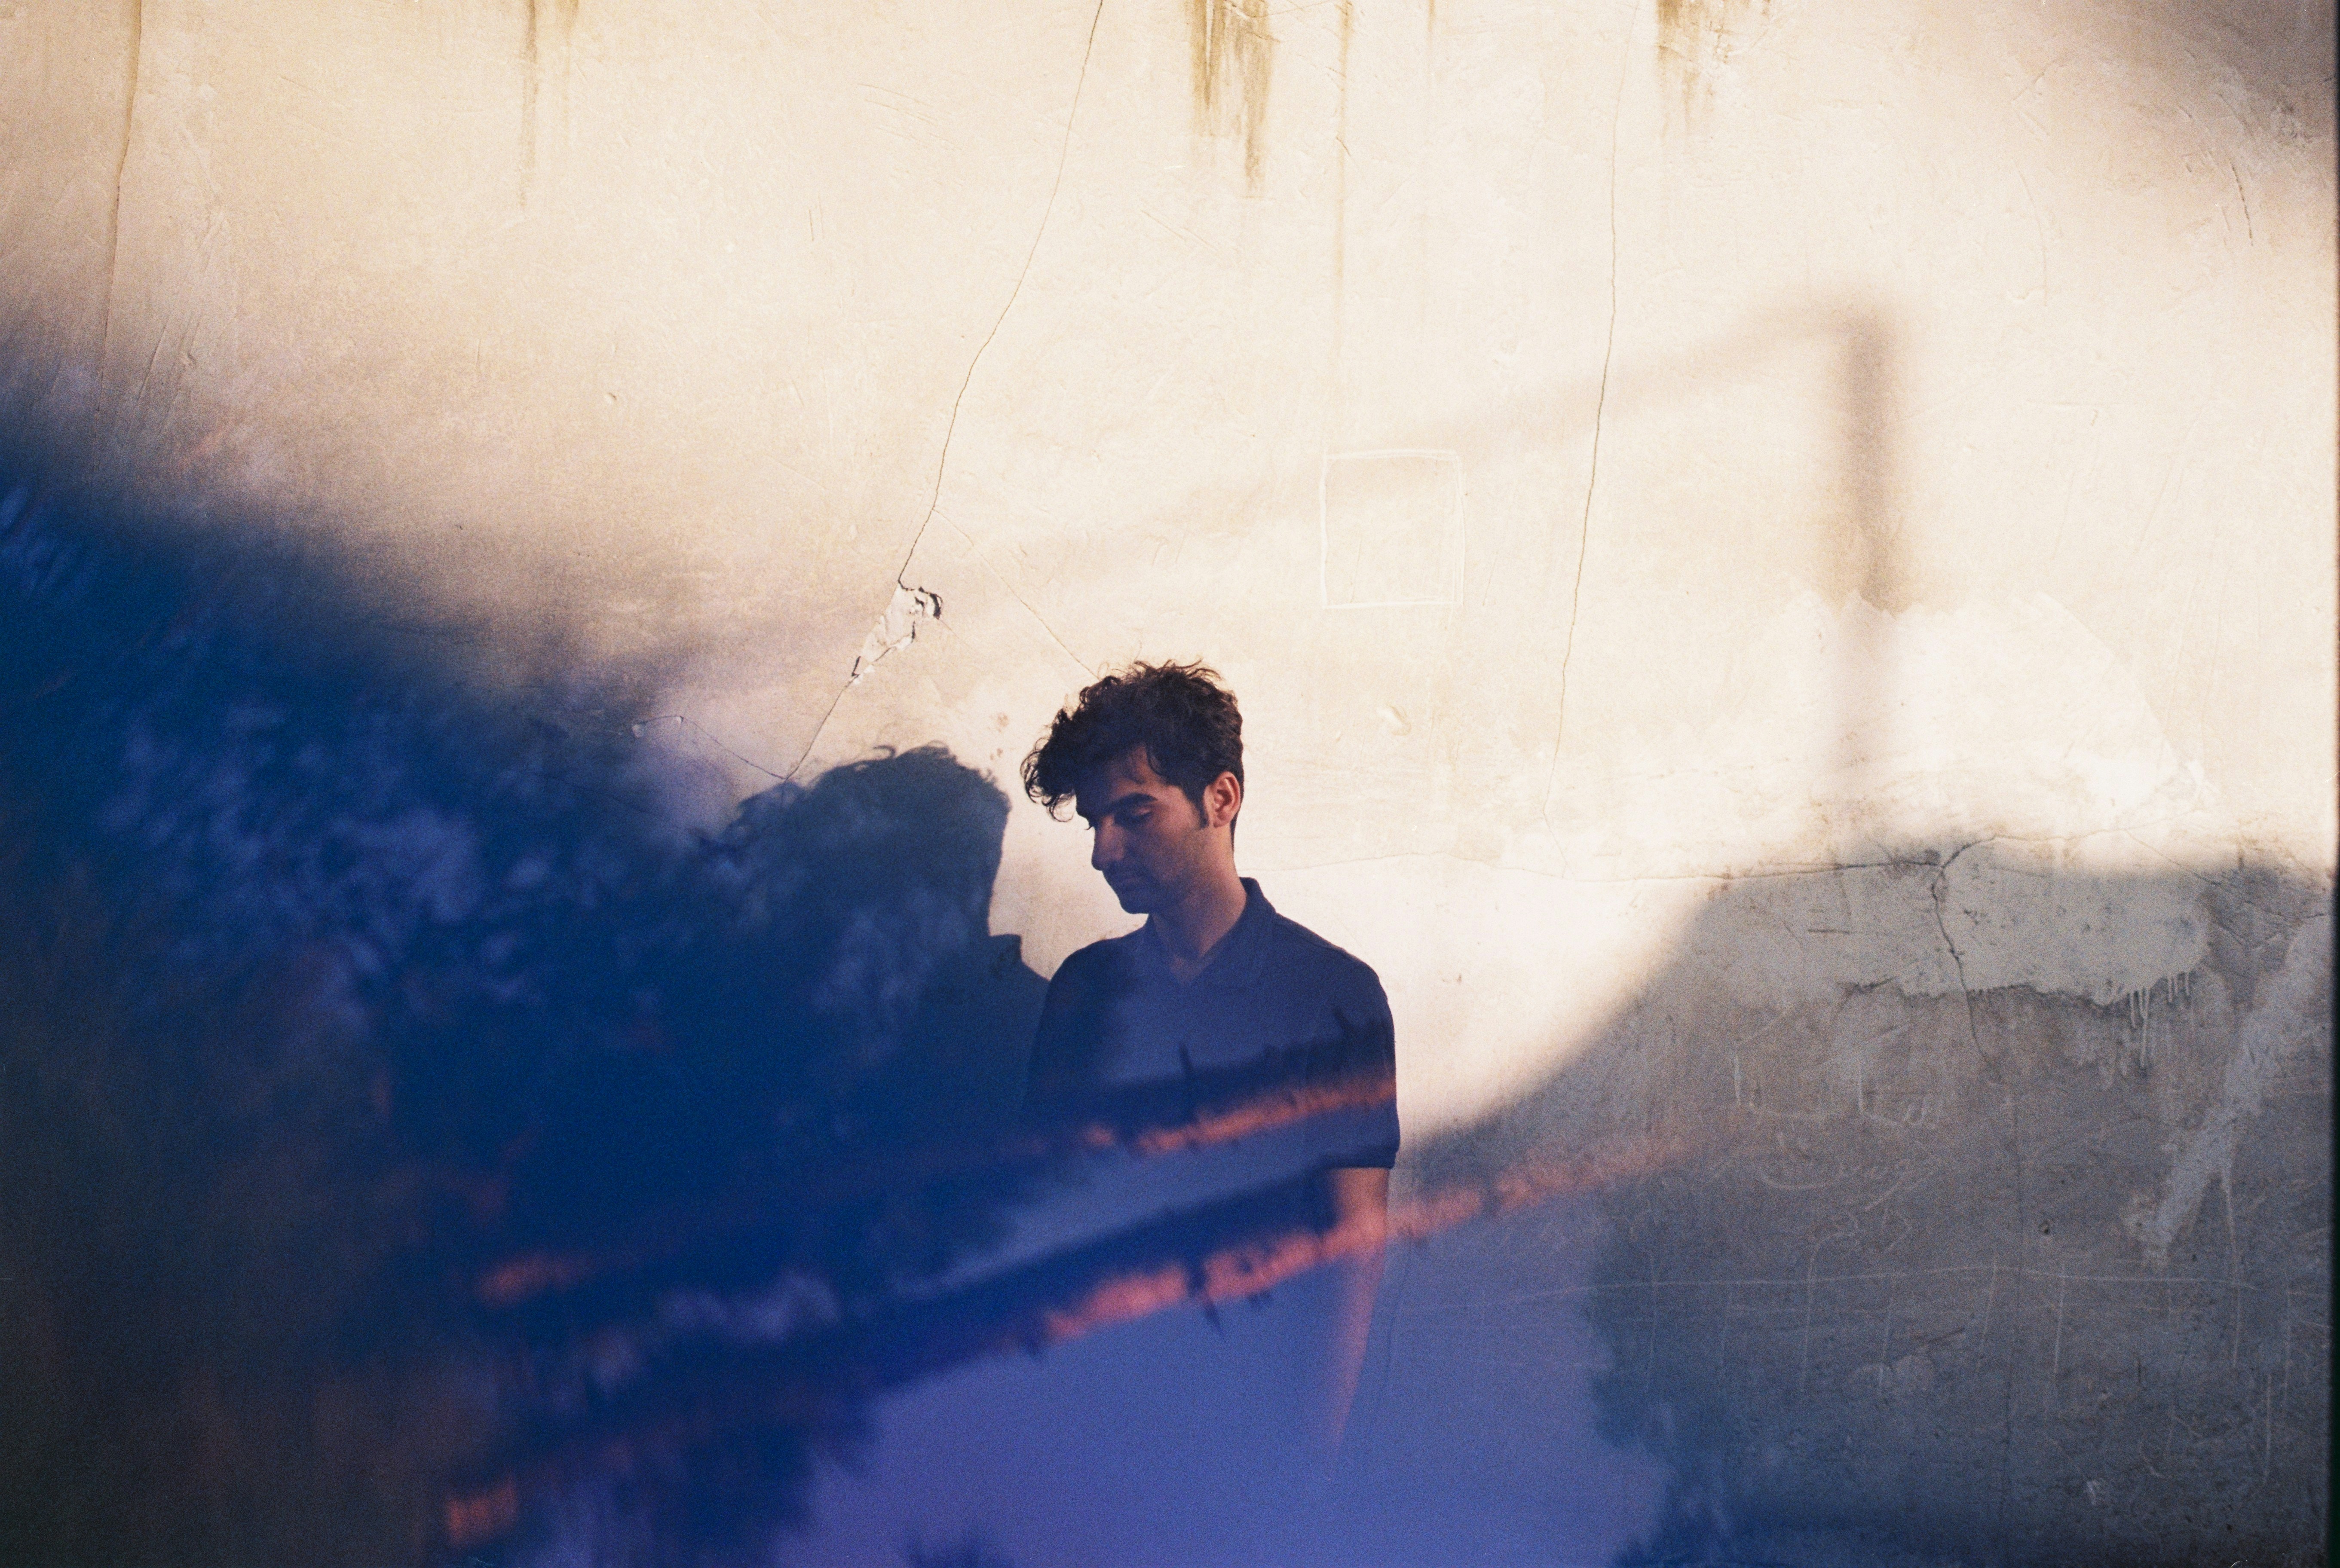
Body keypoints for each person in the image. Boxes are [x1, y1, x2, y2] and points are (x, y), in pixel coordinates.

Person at [1019, 660, 1399, 1458]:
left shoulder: (1333, 993)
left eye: (1134, 815)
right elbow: (1045, 1215)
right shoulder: (1085, 991)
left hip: (1251, 1429)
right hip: (1097, 1426)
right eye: (1095, 822)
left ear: (1220, 799)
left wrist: (1312, 1462)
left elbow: (1352, 1246)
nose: (1103, 851)